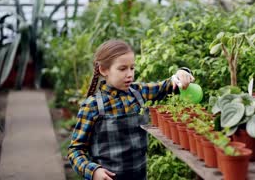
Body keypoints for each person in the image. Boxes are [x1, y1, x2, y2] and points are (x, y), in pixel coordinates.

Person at [67, 39, 194, 180]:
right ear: (104, 70)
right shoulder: (92, 106)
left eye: (132, 68)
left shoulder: (138, 92)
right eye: (122, 69)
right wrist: (93, 171)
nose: (130, 74)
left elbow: (169, 85)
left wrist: (182, 74)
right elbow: (75, 150)